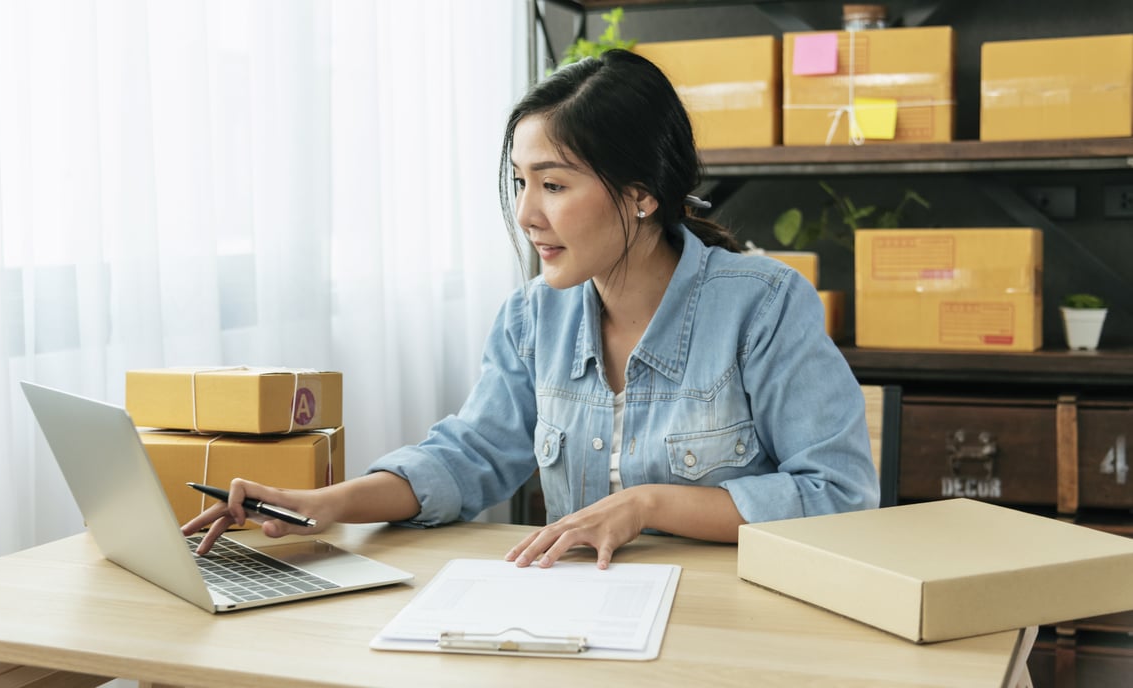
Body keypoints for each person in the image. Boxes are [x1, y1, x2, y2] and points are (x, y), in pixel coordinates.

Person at [183, 49, 878, 569]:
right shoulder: (531, 319)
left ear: (641, 194)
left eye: (553, 184)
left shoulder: (763, 305)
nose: (524, 213)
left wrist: (648, 504)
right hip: (586, 619)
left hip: (738, 633)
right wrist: (324, 505)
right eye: (520, 182)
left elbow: (840, 495)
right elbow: (467, 457)